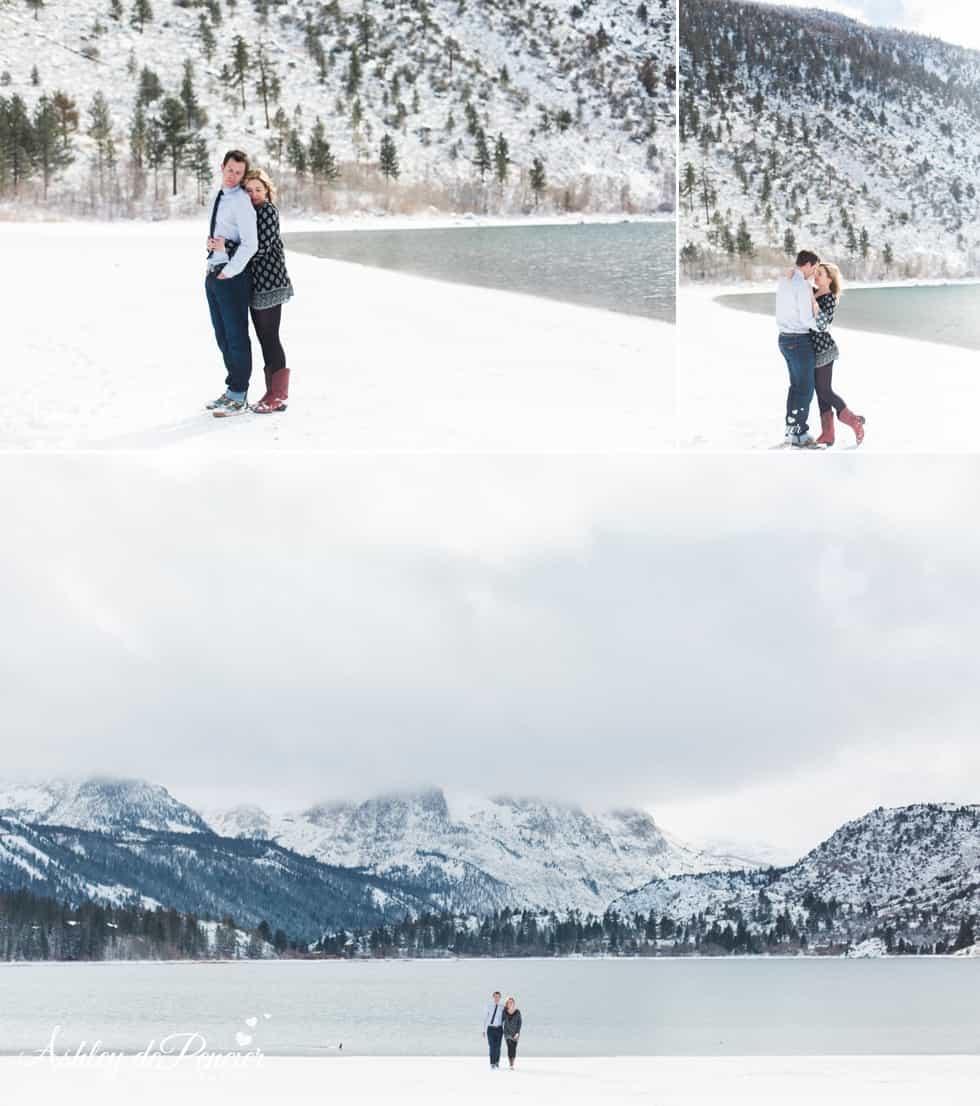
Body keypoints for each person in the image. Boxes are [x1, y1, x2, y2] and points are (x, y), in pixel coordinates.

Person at [236, 167, 295, 414]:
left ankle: (279, 395)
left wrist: (233, 252)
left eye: (258, 190)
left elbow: (260, 247)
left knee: (270, 338)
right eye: (248, 190)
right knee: (264, 339)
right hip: (257, 284)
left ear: (267, 191)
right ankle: (272, 393)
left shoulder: (268, 210)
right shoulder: (249, 213)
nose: (253, 194)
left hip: (271, 283)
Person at [204, 150, 258, 417]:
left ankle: (239, 395)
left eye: (238, 172)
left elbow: (251, 243)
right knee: (222, 336)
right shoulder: (219, 196)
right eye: (230, 170)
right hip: (213, 273)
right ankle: (231, 390)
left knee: (237, 338)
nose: (233, 176)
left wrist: (231, 270)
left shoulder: (241, 201)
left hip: (232, 278)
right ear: (222, 167)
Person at [808, 262, 865, 447]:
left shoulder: (830, 297)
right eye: (815, 273)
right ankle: (828, 434)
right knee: (820, 392)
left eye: (820, 274)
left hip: (824, 349)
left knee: (825, 390)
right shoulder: (813, 292)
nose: (816, 276)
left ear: (829, 279)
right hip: (812, 348)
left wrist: (812, 300)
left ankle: (854, 420)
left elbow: (823, 324)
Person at [776, 249, 820, 445]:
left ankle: (791, 430)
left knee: (795, 388)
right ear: (809, 264)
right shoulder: (801, 285)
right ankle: (799, 434)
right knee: (805, 389)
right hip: (799, 341)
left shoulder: (784, 280)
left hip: (784, 339)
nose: (815, 272)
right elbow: (806, 319)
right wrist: (821, 324)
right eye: (815, 267)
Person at [482, 990, 505, 1069]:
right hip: (490, 1028)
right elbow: (485, 1018)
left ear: (500, 997)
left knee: (498, 1047)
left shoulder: (502, 1007)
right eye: (495, 997)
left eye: (498, 997)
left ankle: (497, 1062)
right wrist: (484, 1030)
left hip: (499, 1029)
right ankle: (492, 1063)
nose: (497, 998)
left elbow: (505, 1019)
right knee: (492, 1046)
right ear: (493, 997)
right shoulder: (488, 1006)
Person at [502, 996, 522, 1070]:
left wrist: (517, 1032)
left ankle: (512, 1062)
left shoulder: (517, 1011)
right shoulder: (504, 1011)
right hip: (507, 1032)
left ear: (513, 1003)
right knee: (509, 1046)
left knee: (514, 1048)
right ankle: (510, 1064)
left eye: (511, 1002)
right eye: (509, 1002)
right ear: (507, 1003)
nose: (510, 1003)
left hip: (515, 1032)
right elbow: (501, 1020)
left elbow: (519, 1023)